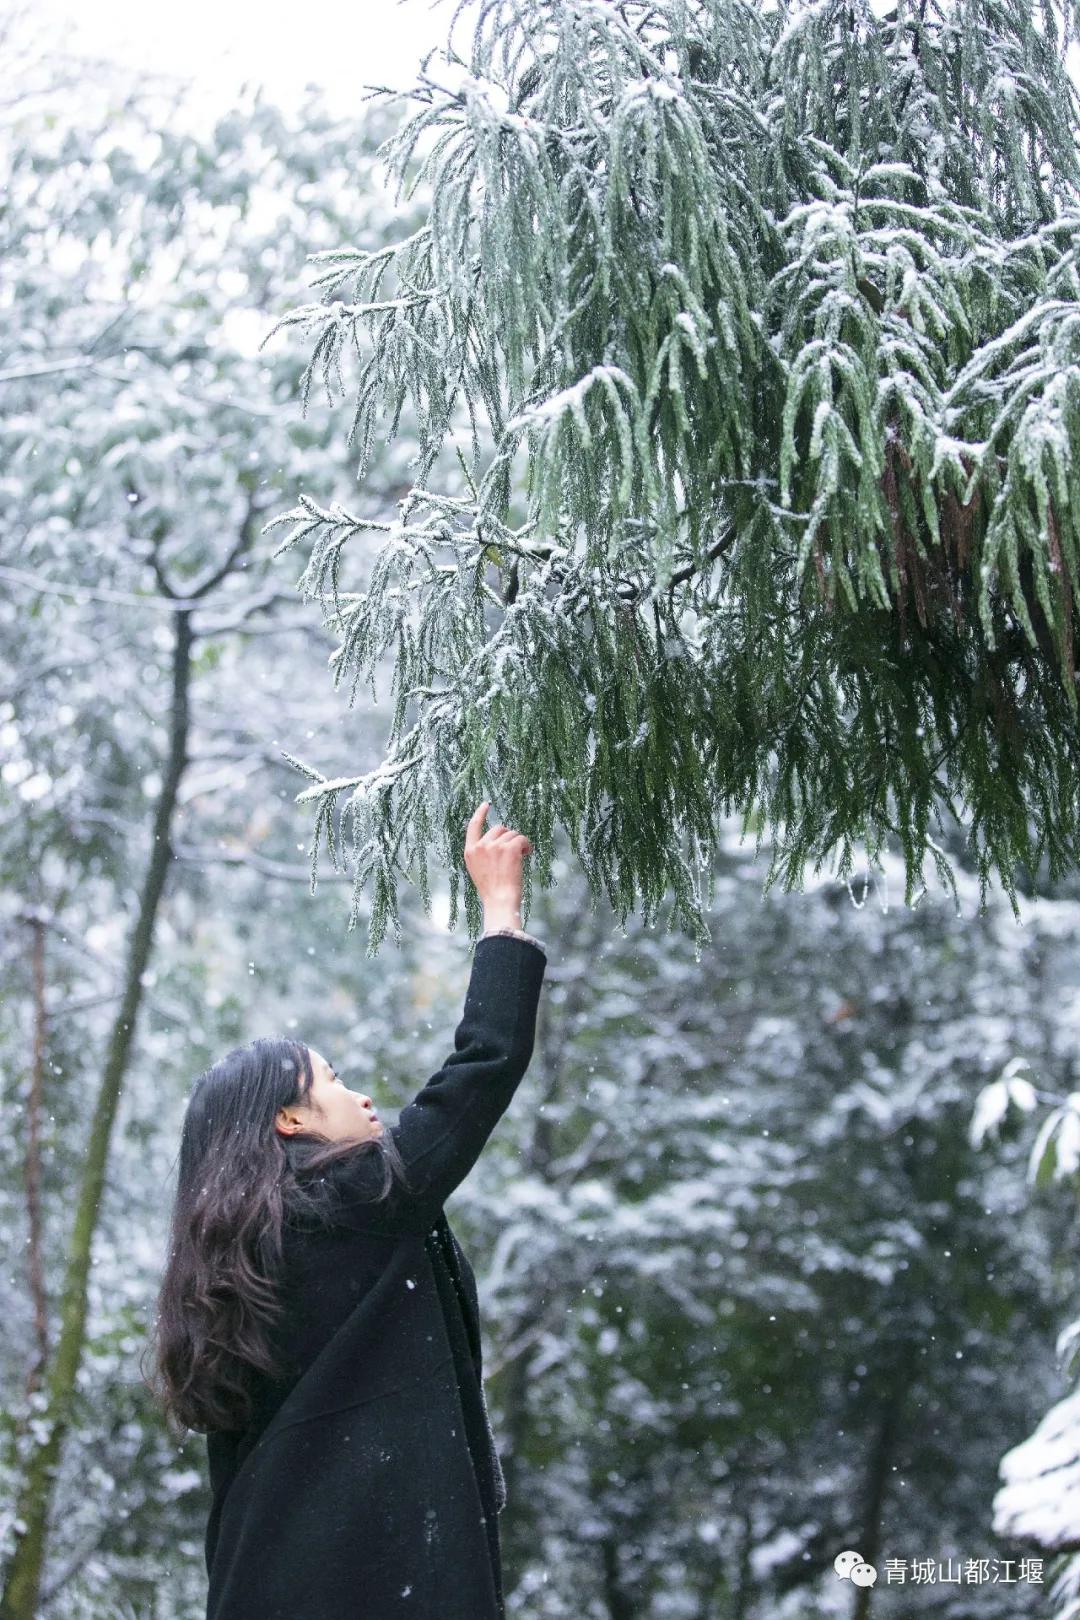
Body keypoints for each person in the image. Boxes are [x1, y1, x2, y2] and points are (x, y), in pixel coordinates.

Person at [145, 801, 548, 1620]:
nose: (361, 1097)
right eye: (331, 1081)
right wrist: (501, 913)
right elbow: (483, 1066)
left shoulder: (233, 1261)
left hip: (264, 1578)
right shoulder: (357, 1201)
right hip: (380, 1581)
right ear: (289, 1120)